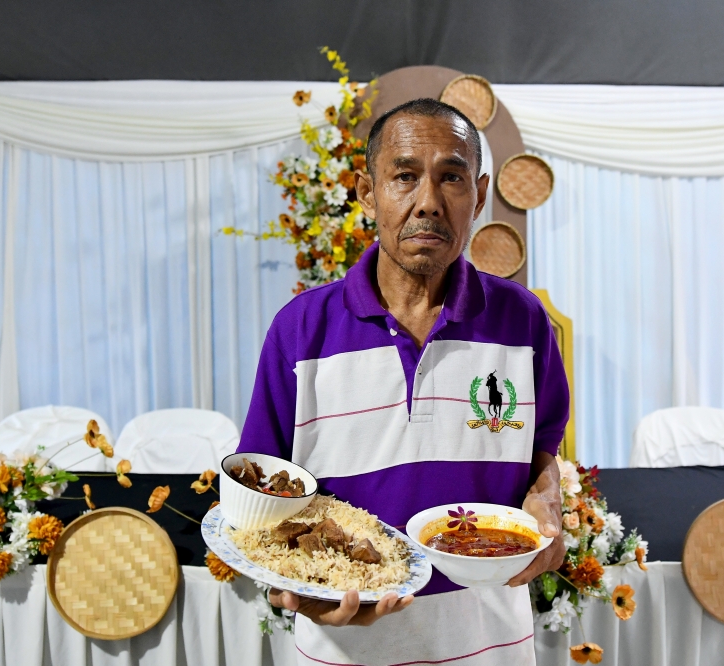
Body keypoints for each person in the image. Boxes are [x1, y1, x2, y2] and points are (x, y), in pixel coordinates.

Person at [237, 97, 569, 665]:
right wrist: (291, 586)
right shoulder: (301, 329)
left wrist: (549, 506)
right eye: (405, 177)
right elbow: (259, 497)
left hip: (491, 648)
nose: (429, 203)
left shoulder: (524, 322)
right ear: (369, 193)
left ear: (480, 195)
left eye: (452, 178)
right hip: (340, 649)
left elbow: (541, 455)